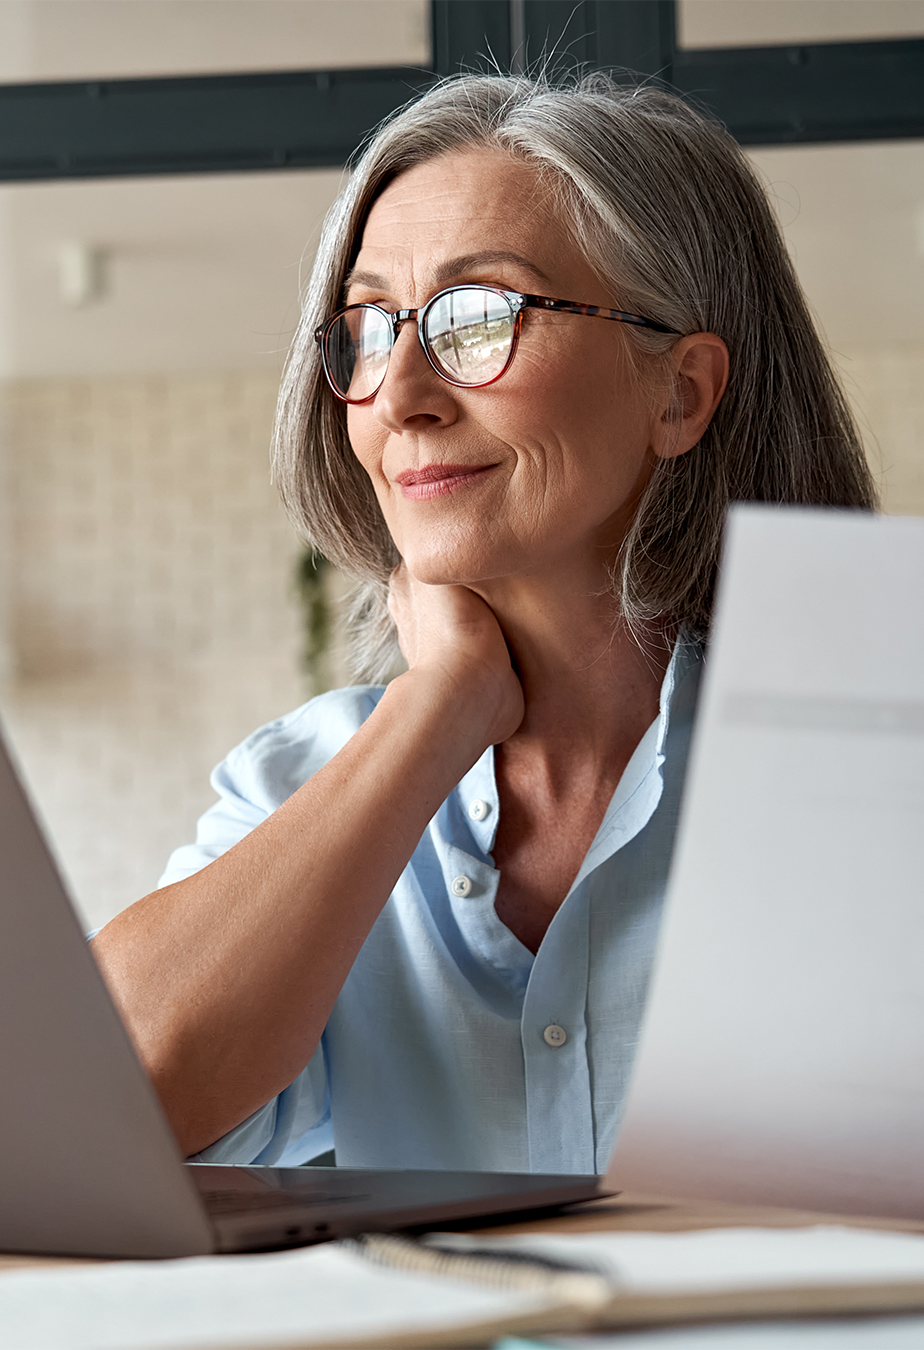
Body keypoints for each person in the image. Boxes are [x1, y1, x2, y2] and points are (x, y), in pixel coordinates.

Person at [92, 72, 876, 1174]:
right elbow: (103, 1108)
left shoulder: (878, 757)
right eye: (367, 329)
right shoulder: (303, 784)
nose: (400, 391)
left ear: (682, 395)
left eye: (481, 316)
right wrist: (440, 707)